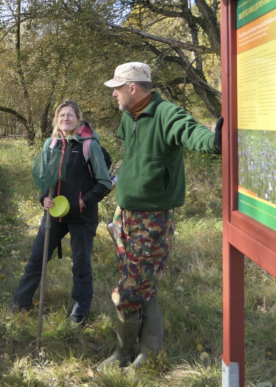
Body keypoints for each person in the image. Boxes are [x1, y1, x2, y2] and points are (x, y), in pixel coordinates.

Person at [97, 62, 223, 370]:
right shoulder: (129, 118)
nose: (113, 94)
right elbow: (131, 160)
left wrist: (215, 141)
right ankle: (139, 353)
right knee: (141, 283)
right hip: (125, 216)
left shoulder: (167, 113)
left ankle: (129, 353)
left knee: (128, 290)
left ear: (133, 88)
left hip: (153, 220)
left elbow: (191, 133)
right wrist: (119, 207)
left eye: (117, 87)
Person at [12, 99, 112, 325]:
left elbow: (104, 182)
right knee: (37, 259)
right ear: (56, 120)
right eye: (61, 115)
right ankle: (20, 303)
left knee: (81, 264)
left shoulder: (88, 145)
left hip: (82, 216)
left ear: (78, 119)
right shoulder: (51, 143)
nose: (65, 119)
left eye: (70, 115)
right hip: (54, 214)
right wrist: (43, 198)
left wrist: (83, 202)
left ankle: (79, 313)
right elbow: (43, 178)